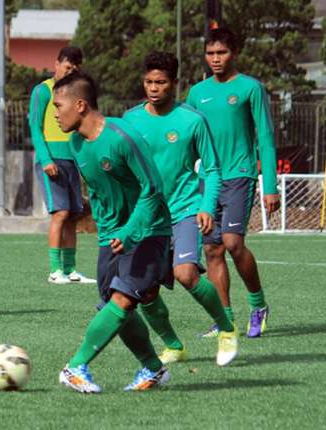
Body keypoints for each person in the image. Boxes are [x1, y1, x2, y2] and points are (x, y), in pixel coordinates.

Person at [53, 72, 177, 393]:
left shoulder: (124, 138)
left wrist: (132, 230)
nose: (55, 113)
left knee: (122, 299)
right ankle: (153, 369)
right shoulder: (76, 143)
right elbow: (100, 194)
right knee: (113, 302)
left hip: (149, 230)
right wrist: (108, 234)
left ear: (80, 105)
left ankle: (75, 366)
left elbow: (153, 189)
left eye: (58, 105)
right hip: (113, 236)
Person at [123, 51, 238, 366]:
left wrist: (206, 206)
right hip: (147, 217)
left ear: (173, 84)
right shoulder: (130, 120)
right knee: (144, 291)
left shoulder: (192, 120)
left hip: (185, 210)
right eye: (148, 82)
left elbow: (212, 169)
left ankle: (227, 329)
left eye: (160, 82)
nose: (154, 88)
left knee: (186, 274)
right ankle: (174, 345)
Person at [186, 28, 280, 338]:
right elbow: (187, 141)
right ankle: (225, 320)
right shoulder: (197, 93)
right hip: (208, 180)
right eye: (210, 53)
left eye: (221, 53)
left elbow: (265, 138)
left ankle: (258, 305)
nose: (215, 59)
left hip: (240, 174)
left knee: (232, 243)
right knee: (212, 251)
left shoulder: (251, 88)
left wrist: (269, 186)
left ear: (234, 52)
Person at [28, 46, 95, 285]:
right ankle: (55, 271)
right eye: (67, 67)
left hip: (72, 159)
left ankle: (71, 269)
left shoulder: (75, 94)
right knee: (60, 212)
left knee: (73, 214)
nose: (70, 71)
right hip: (51, 159)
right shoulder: (43, 91)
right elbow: (35, 126)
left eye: (75, 68)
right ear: (56, 64)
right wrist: (46, 159)